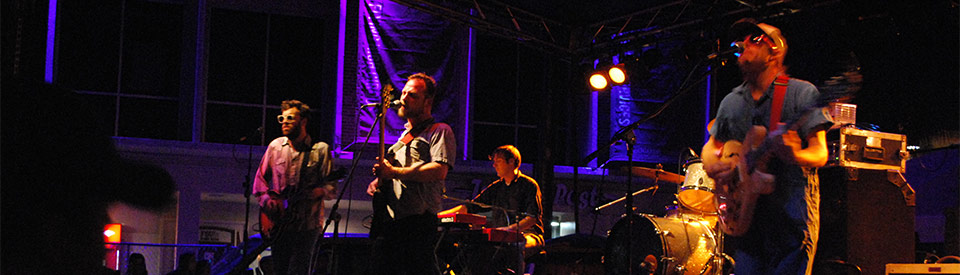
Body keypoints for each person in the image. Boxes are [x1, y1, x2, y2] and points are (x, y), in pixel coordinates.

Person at [700, 19, 832, 275]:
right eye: (742, 40)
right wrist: (713, 165)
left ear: (775, 51)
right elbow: (710, 146)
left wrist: (796, 155)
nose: (745, 44)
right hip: (746, 217)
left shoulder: (801, 93)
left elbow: (820, 153)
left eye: (755, 39)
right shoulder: (731, 102)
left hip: (790, 218)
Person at [366, 73, 457, 275]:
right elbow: (393, 175)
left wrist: (394, 172)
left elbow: (439, 170)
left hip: (418, 221)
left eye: (413, 95)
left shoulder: (439, 131)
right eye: (404, 92)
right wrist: (379, 181)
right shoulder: (402, 138)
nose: (404, 98)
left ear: (428, 101)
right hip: (392, 221)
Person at [253, 100, 336, 275]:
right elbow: (259, 181)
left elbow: (331, 187)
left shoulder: (320, 150)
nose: (284, 121)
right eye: (281, 118)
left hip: (307, 225)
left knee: (299, 270)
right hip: (280, 225)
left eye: (290, 118)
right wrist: (269, 203)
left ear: (303, 121)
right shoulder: (275, 147)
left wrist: (318, 191)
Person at [438, 145, 544, 273]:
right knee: (475, 249)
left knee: (516, 245)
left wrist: (509, 230)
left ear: (511, 162)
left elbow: (532, 218)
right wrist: (439, 216)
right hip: (501, 235)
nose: (494, 165)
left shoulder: (529, 185)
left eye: (498, 161)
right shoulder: (496, 187)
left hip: (529, 234)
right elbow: (469, 207)